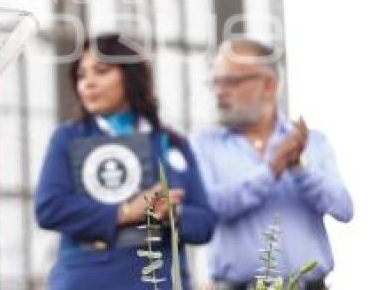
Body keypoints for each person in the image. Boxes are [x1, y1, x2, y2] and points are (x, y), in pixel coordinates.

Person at [35, 33, 215, 289]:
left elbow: (205, 223)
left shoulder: (170, 143)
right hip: (87, 279)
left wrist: (172, 213)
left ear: (131, 75)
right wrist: (125, 213)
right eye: (81, 75)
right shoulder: (68, 137)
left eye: (101, 71)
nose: (88, 83)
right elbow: (49, 208)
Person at [192, 38, 353, 289]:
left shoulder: (311, 142)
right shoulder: (203, 145)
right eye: (215, 82)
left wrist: (299, 168)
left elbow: (343, 209)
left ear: (268, 85)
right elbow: (209, 207)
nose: (220, 91)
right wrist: (270, 171)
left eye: (231, 82)